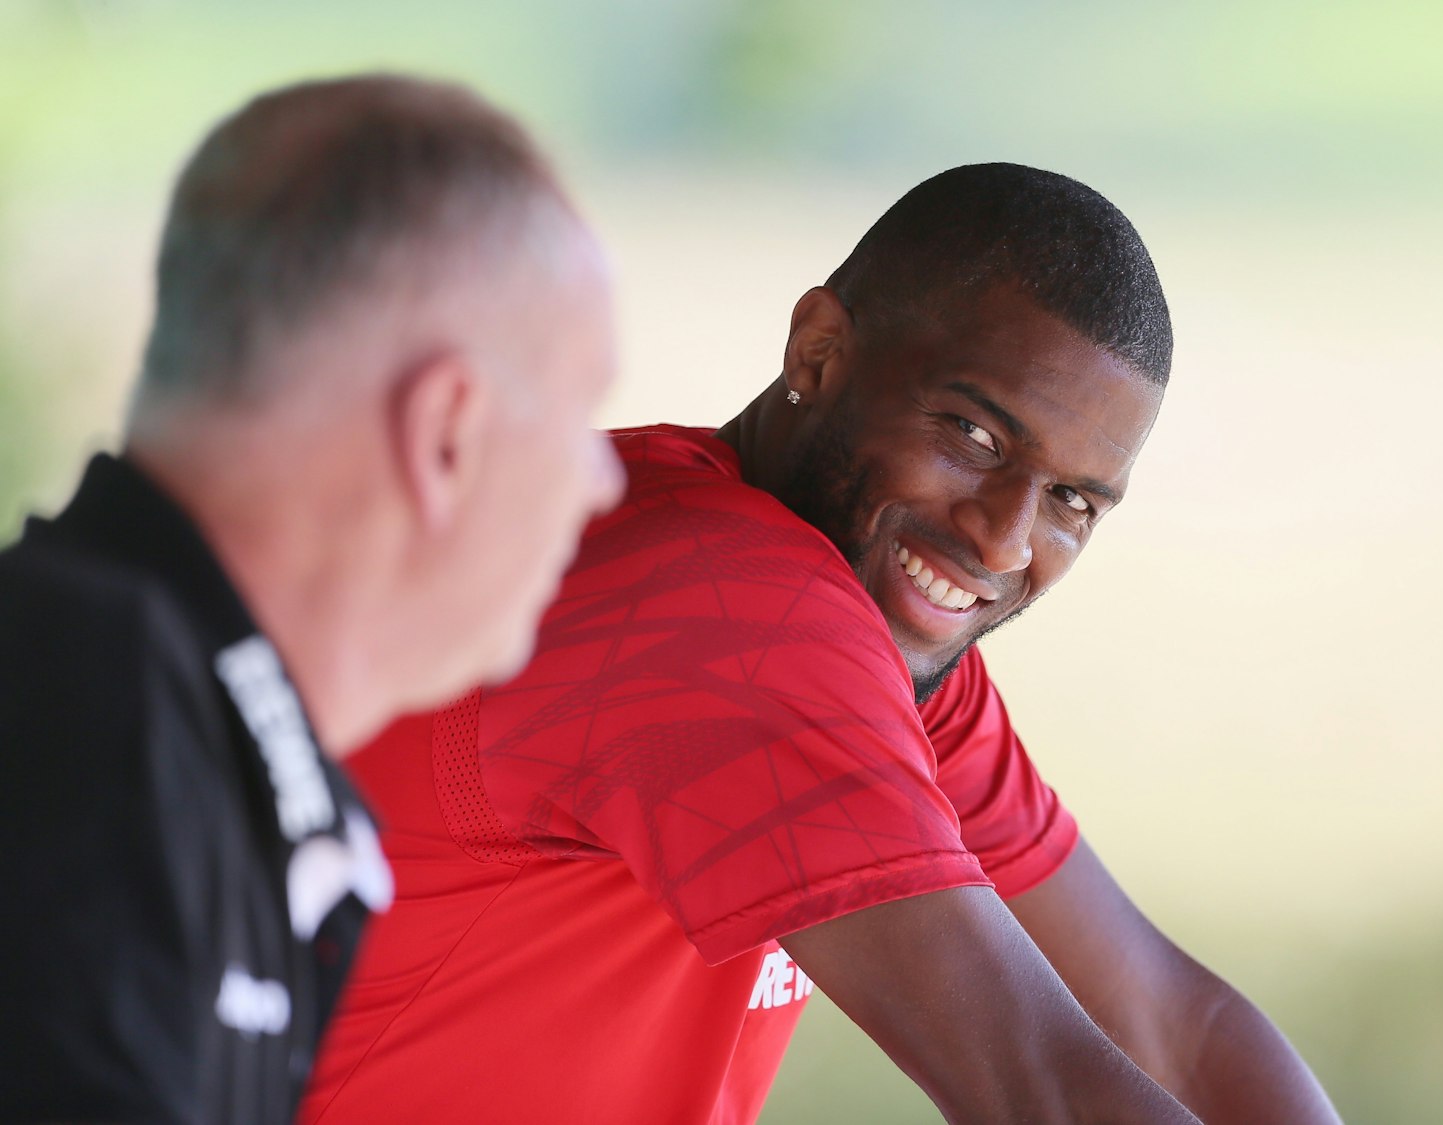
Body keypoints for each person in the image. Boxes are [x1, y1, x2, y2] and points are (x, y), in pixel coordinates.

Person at [304, 164, 1339, 1124]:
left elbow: (1171, 1026)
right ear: (819, 353)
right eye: (974, 436)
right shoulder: (715, 611)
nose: (1003, 539)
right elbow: (1041, 1086)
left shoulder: (878, 649)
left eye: (1071, 500)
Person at [0, 75, 625, 1124]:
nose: (601, 482)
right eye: (581, 409)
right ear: (446, 435)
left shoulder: (159, 722)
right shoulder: (92, 719)